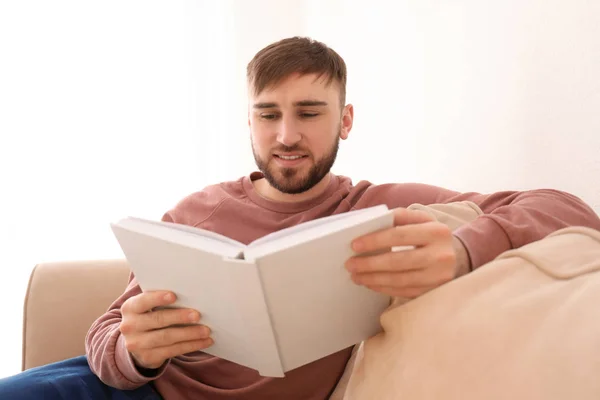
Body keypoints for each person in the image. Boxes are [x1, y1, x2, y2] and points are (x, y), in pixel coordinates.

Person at [1, 36, 599, 400]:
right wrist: (136, 353)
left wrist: (467, 249)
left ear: (345, 121)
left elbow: (568, 210)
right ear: (251, 121)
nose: (286, 136)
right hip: (147, 397)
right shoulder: (192, 212)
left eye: (309, 113)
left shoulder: (382, 207)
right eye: (268, 115)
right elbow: (107, 338)